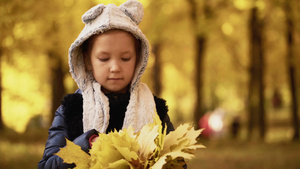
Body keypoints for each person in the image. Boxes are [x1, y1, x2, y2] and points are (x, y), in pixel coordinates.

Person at [38, 0, 185, 168]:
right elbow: (47, 165)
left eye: (125, 58)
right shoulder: (71, 109)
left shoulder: (154, 109)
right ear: (87, 60)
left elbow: (178, 163)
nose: (115, 67)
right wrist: (85, 144)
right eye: (104, 59)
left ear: (138, 59)